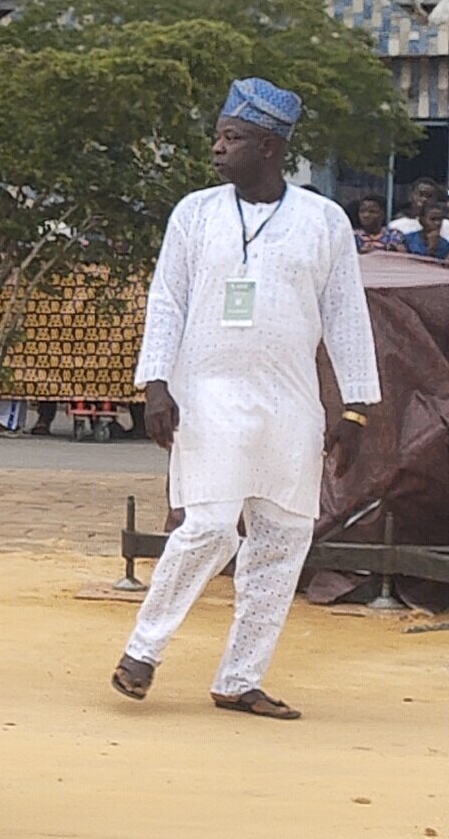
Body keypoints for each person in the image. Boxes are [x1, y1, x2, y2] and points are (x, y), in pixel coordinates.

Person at [115, 78, 379, 721]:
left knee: (283, 538)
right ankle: (142, 651)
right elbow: (167, 299)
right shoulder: (195, 213)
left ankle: (240, 678)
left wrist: (355, 409)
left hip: (290, 405)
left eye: (230, 138)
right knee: (205, 525)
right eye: (217, 135)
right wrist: (155, 385)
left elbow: (347, 314)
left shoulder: (323, 221)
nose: (216, 148)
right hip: (207, 395)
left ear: (269, 147)